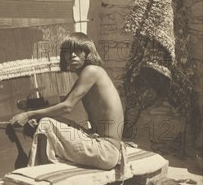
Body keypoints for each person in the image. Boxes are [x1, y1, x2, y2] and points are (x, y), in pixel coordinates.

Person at [10, 32, 125, 170]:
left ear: (87, 53)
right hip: (99, 144)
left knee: (46, 123)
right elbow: (62, 104)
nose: (72, 56)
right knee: (48, 119)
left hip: (106, 151)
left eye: (77, 51)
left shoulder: (92, 71)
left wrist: (29, 115)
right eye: (67, 52)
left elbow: (67, 107)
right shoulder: (87, 75)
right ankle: (45, 168)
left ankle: (36, 172)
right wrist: (35, 111)